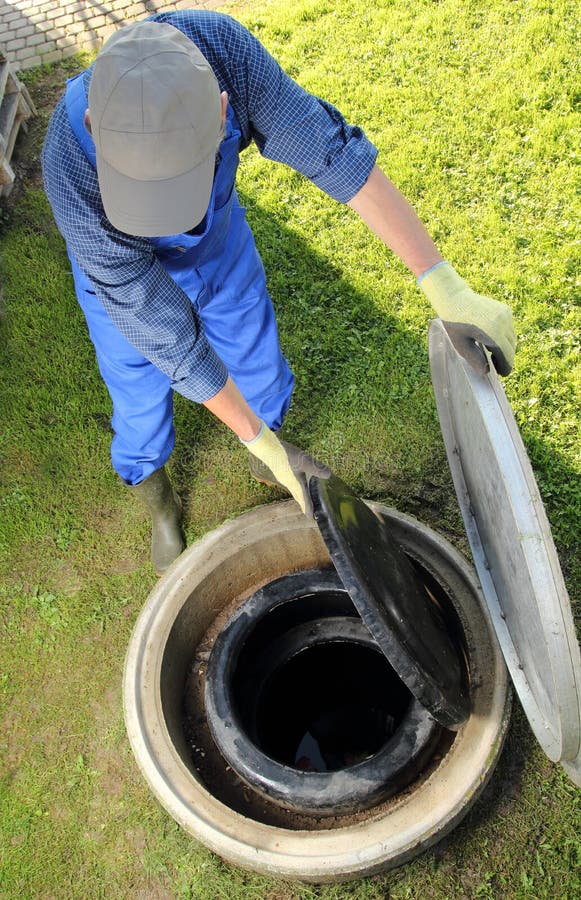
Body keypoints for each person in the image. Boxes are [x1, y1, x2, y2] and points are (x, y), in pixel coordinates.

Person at [41, 10, 516, 575]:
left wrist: (445, 284)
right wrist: (253, 438)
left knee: (256, 356)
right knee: (139, 390)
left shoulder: (228, 57)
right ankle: (160, 500)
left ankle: (271, 454)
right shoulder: (69, 168)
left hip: (218, 246)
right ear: (94, 125)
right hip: (121, 283)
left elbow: (331, 154)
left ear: (222, 109)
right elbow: (165, 331)